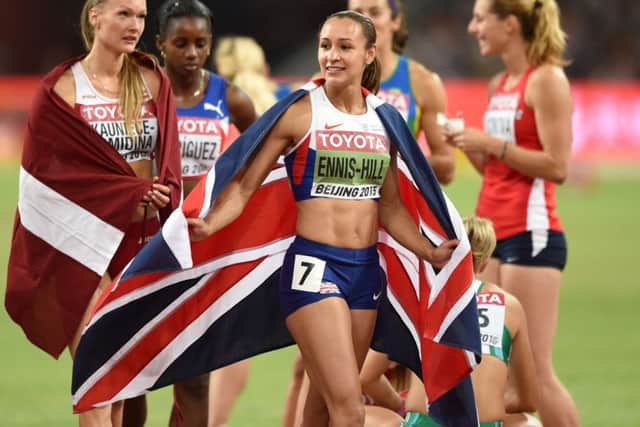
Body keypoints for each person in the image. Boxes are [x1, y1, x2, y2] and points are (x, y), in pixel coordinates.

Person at [187, 10, 458, 427]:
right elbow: (244, 186)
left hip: (365, 273)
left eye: (345, 47)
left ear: (370, 54)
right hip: (313, 268)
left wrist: (430, 250)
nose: (331, 55)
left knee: (319, 406)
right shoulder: (299, 112)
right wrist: (208, 224)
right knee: (349, 411)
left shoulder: (384, 120)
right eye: (325, 45)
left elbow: (390, 208)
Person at [5, 0, 182, 425]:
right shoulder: (63, 88)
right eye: (123, 14)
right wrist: (126, 194)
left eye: (140, 16)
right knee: (97, 388)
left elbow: (169, 160)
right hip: (82, 246)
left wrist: (164, 194)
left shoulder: (152, 81)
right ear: (95, 15)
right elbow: (46, 179)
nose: (134, 25)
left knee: (119, 386)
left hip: (139, 249)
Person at [444, 1, 578, 426]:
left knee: (535, 372)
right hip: (494, 234)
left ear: (510, 24)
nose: (472, 28)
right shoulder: (499, 83)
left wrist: (491, 144)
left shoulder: (547, 81)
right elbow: (500, 169)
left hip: (531, 233)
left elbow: (557, 166)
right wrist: (472, 146)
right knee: (495, 368)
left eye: (481, 19)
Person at [153, 1, 257, 426]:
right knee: (137, 376)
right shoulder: (144, 95)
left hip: (203, 250)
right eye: (181, 43)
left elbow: (265, 158)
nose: (192, 53)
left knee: (195, 379)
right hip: (150, 250)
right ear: (160, 45)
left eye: (201, 43)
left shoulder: (230, 98)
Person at [402, 217, 540, 427]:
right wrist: (485, 403)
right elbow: (528, 400)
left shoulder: (421, 297)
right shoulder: (508, 305)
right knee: (529, 423)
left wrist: (397, 402)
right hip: (481, 423)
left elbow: (367, 376)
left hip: (423, 422)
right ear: (484, 262)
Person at [348, 0, 455, 184]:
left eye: (375, 12)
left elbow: (446, 167)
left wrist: (389, 165)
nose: (365, 20)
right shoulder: (330, 79)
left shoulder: (425, 82)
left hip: (398, 206)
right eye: (357, 13)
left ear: (395, 21)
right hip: (346, 206)